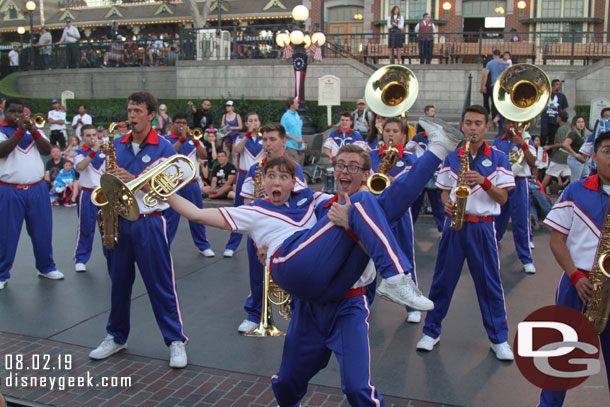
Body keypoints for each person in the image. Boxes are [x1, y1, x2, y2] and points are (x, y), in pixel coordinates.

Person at [88, 91, 188, 368]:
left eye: (137, 111)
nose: (131, 116)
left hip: (150, 221)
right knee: (118, 284)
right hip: (118, 222)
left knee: (161, 284)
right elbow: (102, 182)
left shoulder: (164, 146)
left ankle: (175, 340)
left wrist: (134, 180)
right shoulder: (116, 144)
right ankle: (116, 336)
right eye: (129, 110)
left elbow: (169, 188)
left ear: (151, 115)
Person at [416, 105, 516, 361]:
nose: (473, 128)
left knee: (489, 284)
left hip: (482, 226)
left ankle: (499, 339)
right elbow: (443, 190)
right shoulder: (452, 157)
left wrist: (484, 181)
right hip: (454, 225)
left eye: (478, 123)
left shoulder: (498, 158)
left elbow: (503, 198)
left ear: (486, 127)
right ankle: (431, 331)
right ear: (463, 126)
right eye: (469, 123)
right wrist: (446, 202)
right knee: (442, 281)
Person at [538, 131, 610, 407]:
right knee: (561, 356)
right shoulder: (575, 190)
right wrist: (575, 275)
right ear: (593, 156)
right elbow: (556, 239)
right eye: (607, 150)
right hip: (577, 282)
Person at [236, 122, 307, 334]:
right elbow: (246, 200)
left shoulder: (295, 168)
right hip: (259, 230)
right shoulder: (254, 168)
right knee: (257, 274)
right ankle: (254, 313)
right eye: (264, 139)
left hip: (285, 230)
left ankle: (297, 314)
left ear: (283, 141)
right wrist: (256, 224)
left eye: (272, 139)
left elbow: (299, 200)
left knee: (291, 272)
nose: (267, 144)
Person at [0, 98, 64, 290]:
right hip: (10, 189)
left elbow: (47, 149)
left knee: (43, 231)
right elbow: (2, 151)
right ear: (5, 111)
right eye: (13, 112)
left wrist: (33, 131)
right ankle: (2, 273)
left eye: (21, 112)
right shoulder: (2, 130)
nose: (18, 115)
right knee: (6, 234)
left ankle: (46, 267)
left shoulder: (33, 128)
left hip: (37, 189)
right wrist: (20, 131)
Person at [369, 117, 422, 323]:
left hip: (400, 213)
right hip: (375, 212)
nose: (390, 134)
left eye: (395, 131)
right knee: (367, 261)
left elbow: (414, 187)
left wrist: (392, 180)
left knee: (406, 258)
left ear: (402, 135)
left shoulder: (410, 158)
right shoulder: (371, 155)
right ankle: (364, 302)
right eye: (387, 130)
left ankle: (412, 306)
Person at [163, 112, 214, 257]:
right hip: (174, 185)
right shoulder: (166, 140)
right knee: (171, 218)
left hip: (192, 184)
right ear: (172, 124)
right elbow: (170, 153)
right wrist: (182, 138)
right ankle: (165, 246)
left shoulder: (193, 140)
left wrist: (195, 140)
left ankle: (203, 246)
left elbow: (204, 155)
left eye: (184, 123)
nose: (181, 125)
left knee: (198, 215)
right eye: (178, 122)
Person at [492, 118, 537, 274]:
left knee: (520, 222)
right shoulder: (498, 141)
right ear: (504, 125)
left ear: (518, 124)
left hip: (519, 183)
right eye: (508, 123)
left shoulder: (526, 139)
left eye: (514, 123)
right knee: (498, 218)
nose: (511, 126)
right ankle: (492, 250)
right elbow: (493, 162)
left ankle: (526, 259)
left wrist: (523, 145)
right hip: (502, 184)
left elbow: (533, 162)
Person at [225, 112, 264, 257]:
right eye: (251, 121)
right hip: (244, 175)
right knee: (240, 209)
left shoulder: (263, 139)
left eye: (256, 120)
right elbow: (236, 151)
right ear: (246, 123)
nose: (254, 123)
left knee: (261, 208)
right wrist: (248, 134)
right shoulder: (241, 138)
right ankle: (232, 245)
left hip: (260, 176)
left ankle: (260, 243)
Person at [73, 125, 105, 272]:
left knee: (108, 228)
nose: (92, 138)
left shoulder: (104, 150)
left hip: (104, 193)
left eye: (94, 135)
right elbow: (80, 166)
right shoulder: (79, 153)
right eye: (88, 135)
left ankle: (111, 256)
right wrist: (93, 151)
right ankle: (81, 259)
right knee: (86, 227)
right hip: (87, 193)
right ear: (82, 137)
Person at [541, 111, 571, 195]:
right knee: (569, 175)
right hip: (568, 155)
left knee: (549, 173)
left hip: (560, 156)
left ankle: (539, 191)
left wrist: (549, 146)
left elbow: (562, 143)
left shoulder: (562, 129)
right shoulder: (568, 127)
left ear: (559, 118)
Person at [480, 50, 508, 119]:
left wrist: (483, 85)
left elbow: (485, 75)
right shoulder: (504, 63)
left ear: (493, 55)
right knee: (501, 101)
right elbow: (507, 74)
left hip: (493, 85)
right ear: (500, 54)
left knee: (494, 102)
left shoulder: (490, 63)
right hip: (502, 85)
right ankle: (501, 117)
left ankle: (494, 117)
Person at [540, 79, 569, 146]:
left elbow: (564, 109)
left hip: (556, 121)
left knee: (552, 139)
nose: (559, 86)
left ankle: (550, 153)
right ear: (552, 86)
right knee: (543, 136)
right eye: (557, 84)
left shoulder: (562, 96)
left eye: (560, 85)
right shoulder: (545, 95)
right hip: (545, 120)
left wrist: (563, 118)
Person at [280, 97, 305, 165]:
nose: (298, 104)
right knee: (293, 167)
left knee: (300, 169)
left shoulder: (297, 115)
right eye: (296, 103)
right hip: (290, 146)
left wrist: (302, 141)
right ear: (291, 105)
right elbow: (284, 132)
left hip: (300, 146)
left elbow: (298, 130)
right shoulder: (285, 117)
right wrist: (296, 139)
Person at [564, 115, 590, 181]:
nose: (581, 124)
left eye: (582, 122)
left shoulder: (583, 133)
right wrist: (575, 154)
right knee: (575, 180)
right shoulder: (573, 133)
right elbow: (565, 144)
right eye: (578, 122)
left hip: (584, 159)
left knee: (585, 178)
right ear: (575, 123)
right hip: (576, 159)